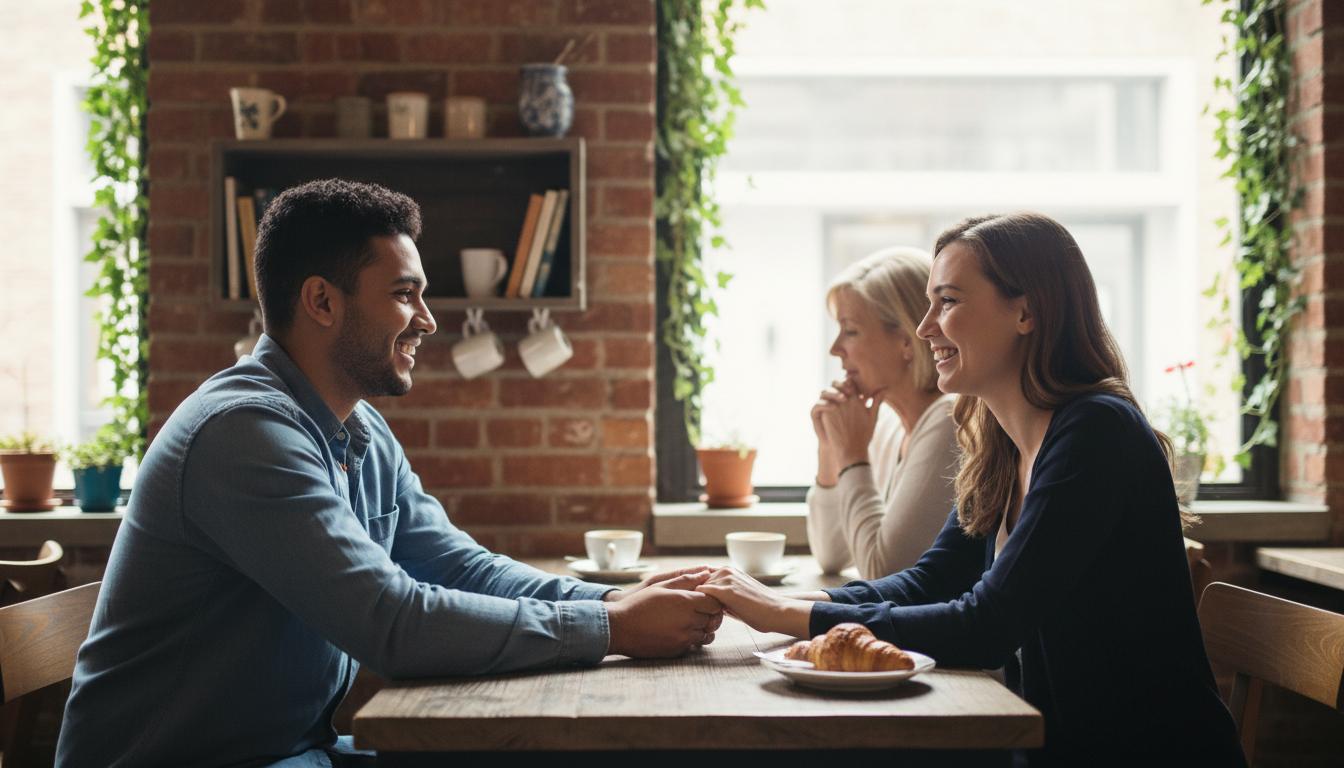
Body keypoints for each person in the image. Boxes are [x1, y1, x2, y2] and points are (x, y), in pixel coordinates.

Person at [57, 179, 723, 768]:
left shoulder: (359, 429)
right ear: (322, 301)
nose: (427, 321)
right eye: (405, 295)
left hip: (297, 752)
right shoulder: (243, 434)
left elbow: (458, 567)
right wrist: (614, 631)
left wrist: (607, 602)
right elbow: (391, 623)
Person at [698, 213, 1246, 765]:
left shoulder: (1097, 432)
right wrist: (779, 601)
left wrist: (785, 615)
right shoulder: (1001, 442)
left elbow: (987, 625)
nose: (925, 328)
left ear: (1026, 312)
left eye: (948, 302)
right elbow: (931, 581)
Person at [807, 247, 958, 578]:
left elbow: (883, 572)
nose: (835, 349)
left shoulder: (948, 421)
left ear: (906, 341)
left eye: (850, 330)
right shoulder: (889, 426)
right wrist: (831, 450)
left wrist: (853, 457)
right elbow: (832, 554)